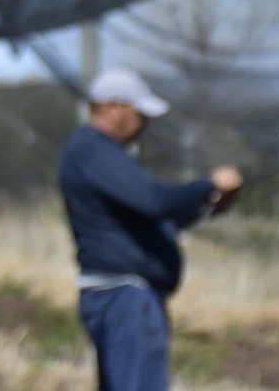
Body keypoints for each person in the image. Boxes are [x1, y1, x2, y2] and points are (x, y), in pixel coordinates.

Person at [59, 68, 243, 391]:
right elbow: (155, 201)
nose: (144, 124)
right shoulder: (93, 150)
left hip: (120, 297)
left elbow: (155, 215)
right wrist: (209, 183)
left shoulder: (100, 155)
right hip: (125, 298)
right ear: (114, 107)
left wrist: (209, 204)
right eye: (139, 114)